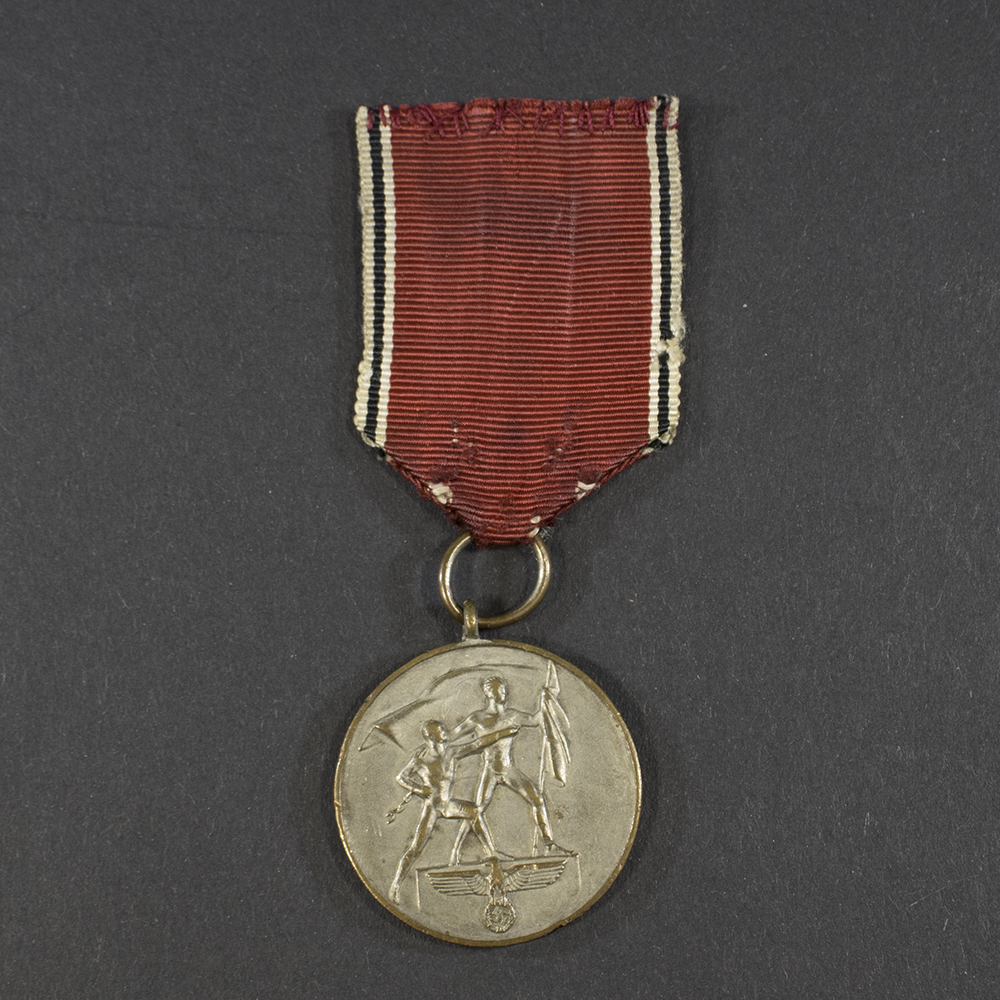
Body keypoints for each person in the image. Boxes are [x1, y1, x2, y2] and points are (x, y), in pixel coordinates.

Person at [388, 719, 516, 902]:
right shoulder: (421, 759)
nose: (445, 731)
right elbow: (401, 777)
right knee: (415, 848)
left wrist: (502, 734)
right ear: (431, 736)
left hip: (448, 805)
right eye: (440, 730)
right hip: (432, 807)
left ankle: (491, 853)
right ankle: (396, 885)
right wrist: (419, 789)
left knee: (474, 812)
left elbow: (477, 744)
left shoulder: (450, 753)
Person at [449, 675, 572, 865]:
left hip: (507, 769)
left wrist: (546, 701)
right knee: (476, 811)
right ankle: (455, 854)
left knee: (537, 799)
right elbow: (453, 735)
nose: (504, 693)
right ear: (489, 692)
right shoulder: (478, 718)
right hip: (490, 771)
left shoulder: (512, 715)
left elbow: (535, 719)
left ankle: (548, 844)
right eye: (500, 689)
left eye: (505, 689)